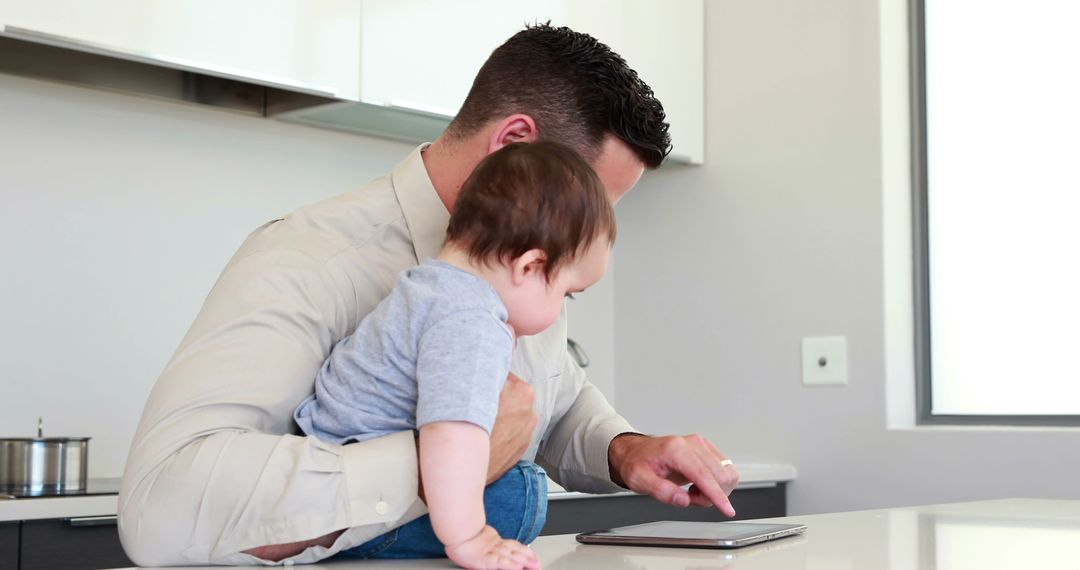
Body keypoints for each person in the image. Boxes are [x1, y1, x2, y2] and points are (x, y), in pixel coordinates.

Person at [119, 23, 739, 567]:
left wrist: (624, 450)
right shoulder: (308, 258)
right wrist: (437, 461)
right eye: (590, 199)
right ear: (515, 142)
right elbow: (158, 511)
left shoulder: (523, 253)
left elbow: (545, 401)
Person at [296, 141, 615, 569]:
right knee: (524, 492)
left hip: (323, 469)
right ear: (529, 267)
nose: (560, 309)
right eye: (567, 294)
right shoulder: (472, 320)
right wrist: (470, 538)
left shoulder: (429, 284)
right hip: (354, 499)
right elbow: (452, 434)